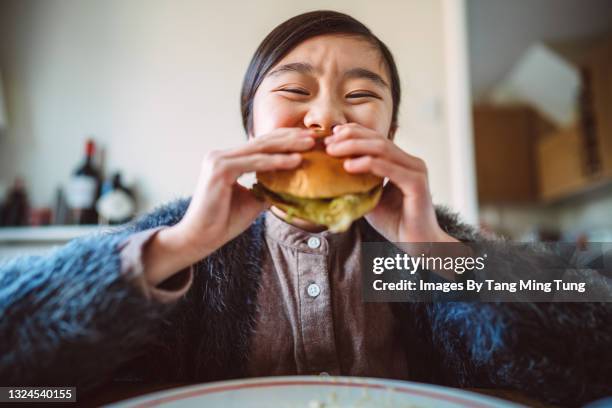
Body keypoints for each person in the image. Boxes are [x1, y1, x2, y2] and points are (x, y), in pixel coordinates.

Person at [0, 10, 610, 406]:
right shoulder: (176, 238)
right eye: (293, 91)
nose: (325, 116)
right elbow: (21, 376)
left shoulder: (431, 239)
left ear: (391, 129)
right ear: (251, 124)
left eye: (361, 96)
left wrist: (440, 259)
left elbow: (593, 329)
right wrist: (177, 248)